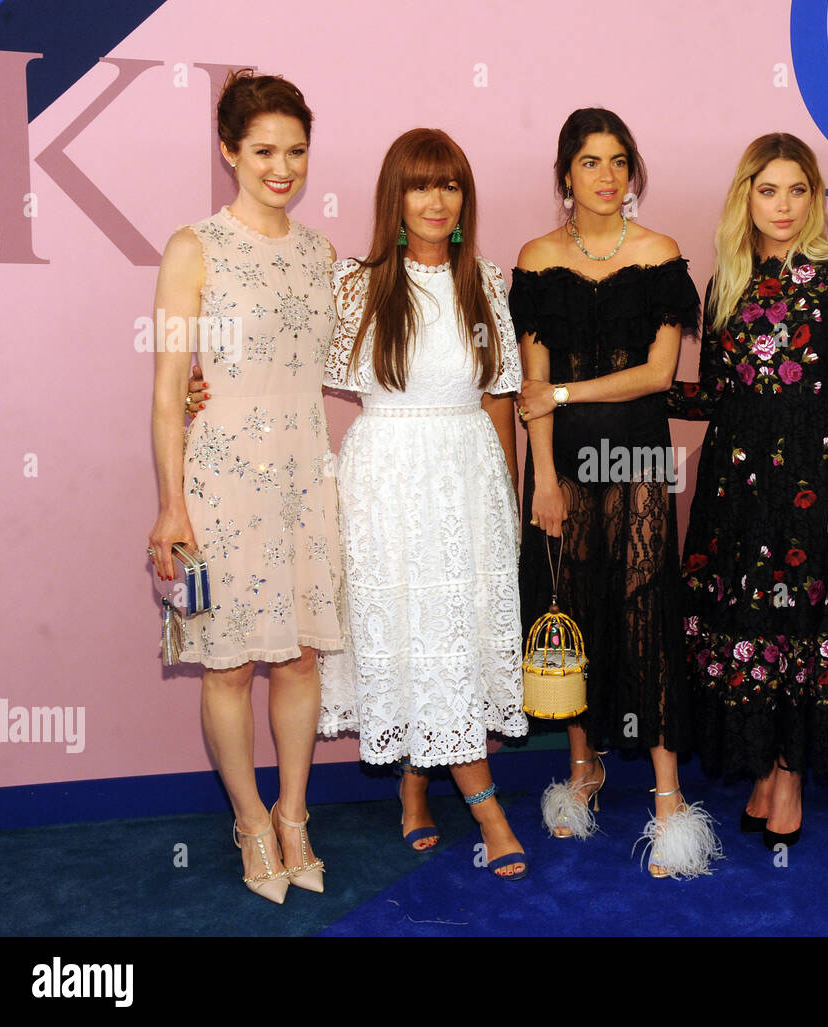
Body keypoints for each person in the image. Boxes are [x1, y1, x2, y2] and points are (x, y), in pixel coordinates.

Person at [509, 108, 720, 878]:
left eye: (618, 161)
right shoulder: (535, 258)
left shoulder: (661, 255)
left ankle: (668, 797)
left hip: (633, 454)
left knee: (645, 608)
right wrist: (545, 476)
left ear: (633, 173)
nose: (606, 175)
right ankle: (585, 767)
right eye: (590, 161)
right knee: (573, 606)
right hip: (560, 463)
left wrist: (563, 394)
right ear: (566, 173)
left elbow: (658, 376)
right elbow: (529, 392)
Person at [315, 129, 529, 880]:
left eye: (450, 185)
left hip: (467, 480)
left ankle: (414, 789)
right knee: (413, 629)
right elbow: (288, 366)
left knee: (453, 638)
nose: (437, 200)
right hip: (387, 482)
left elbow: (500, 398)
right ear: (395, 198)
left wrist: (506, 495)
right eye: (421, 185)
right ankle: (489, 811)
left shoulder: (486, 283)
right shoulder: (357, 284)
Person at [148, 70, 340, 903]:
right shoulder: (192, 245)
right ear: (229, 151)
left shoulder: (320, 252)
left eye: (296, 150)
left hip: (304, 469)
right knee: (226, 663)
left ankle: (296, 813)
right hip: (221, 476)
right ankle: (250, 820)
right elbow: (166, 392)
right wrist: (170, 504)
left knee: (299, 654)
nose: (283, 166)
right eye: (264, 150)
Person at [667, 134, 828, 851]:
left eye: (796, 190)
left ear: (815, 198)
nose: (783, 205)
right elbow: (722, 393)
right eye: (768, 191)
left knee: (801, 625)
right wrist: (617, 393)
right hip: (735, 482)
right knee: (749, 624)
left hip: (815, 481)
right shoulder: (726, 280)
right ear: (746, 199)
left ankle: (789, 774)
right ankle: (762, 765)